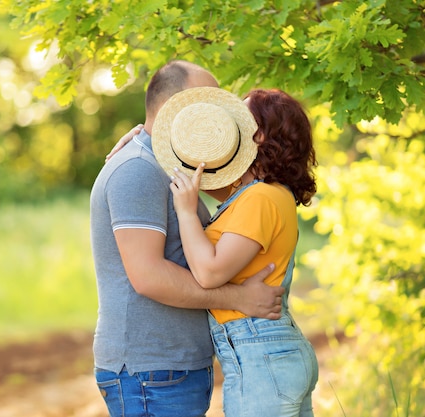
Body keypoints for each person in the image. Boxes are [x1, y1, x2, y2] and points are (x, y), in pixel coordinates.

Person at [89, 61, 285, 417]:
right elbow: (148, 276)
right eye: (205, 102)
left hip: (172, 369)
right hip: (150, 372)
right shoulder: (138, 170)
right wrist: (241, 298)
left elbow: (246, 189)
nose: (216, 115)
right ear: (172, 109)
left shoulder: (168, 166)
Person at [152, 86, 319, 416]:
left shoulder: (261, 198)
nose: (229, 124)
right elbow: (197, 166)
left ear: (259, 136)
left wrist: (186, 213)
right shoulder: (263, 195)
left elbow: (210, 273)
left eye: (239, 119)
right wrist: (142, 138)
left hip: (261, 355)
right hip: (270, 351)